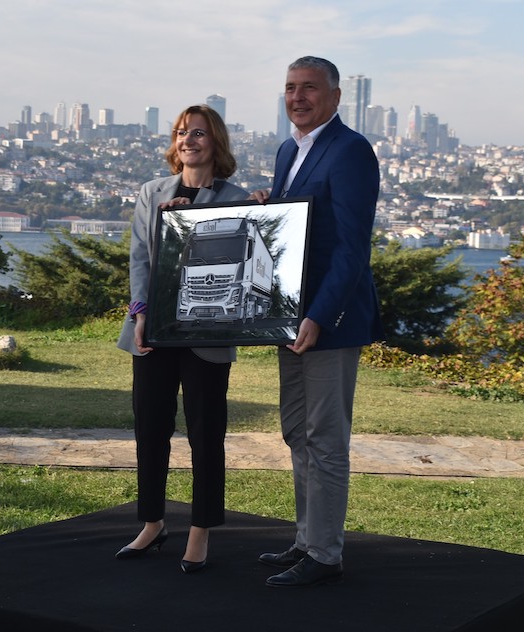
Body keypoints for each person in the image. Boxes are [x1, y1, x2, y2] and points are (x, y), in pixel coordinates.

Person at [251, 56, 383, 587]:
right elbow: (297, 229)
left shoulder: (351, 151)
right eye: (289, 88)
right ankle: (306, 540)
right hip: (290, 319)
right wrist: (269, 203)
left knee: (325, 437)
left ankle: (325, 555)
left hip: (329, 321)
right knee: (296, 432)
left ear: (334, 97)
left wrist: (320, 315)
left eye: (309, 88)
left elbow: (351, 249)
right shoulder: (289, 150)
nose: (297, 97)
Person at [115, 104, 248, 573]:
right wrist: (140, 312)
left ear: (215, 142)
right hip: (155, 330)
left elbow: (239, 258)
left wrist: (190, 222)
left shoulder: (237, 198)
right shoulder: (152, 193)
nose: (187, 140)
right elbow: (140, 260)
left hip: (208, 331)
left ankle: (200, 531)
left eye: (198, 133)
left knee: (206, 435)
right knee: (150, 430)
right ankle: (152, 523)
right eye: (180, 133)